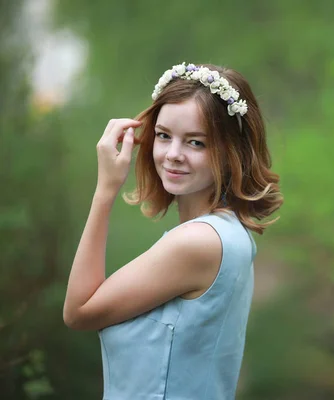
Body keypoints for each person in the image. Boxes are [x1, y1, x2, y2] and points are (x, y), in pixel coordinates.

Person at [63, 62, 283, 400]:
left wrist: (105, 190)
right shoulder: (231, 233)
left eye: (196, 142)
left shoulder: (198, 243)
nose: (173, 155)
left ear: (230, 151)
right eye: (164, 136)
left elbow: (78, 312)